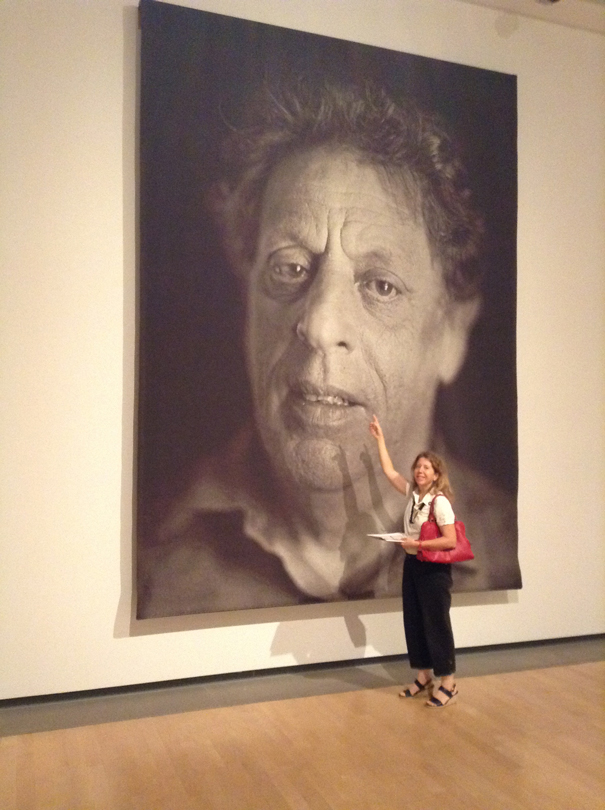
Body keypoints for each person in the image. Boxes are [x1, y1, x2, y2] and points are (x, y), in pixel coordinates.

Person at [136, 79, 521, 619]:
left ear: (452, 334)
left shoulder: (520, 556)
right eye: (290, 268)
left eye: (380, 284)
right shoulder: (138, 557)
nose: (318, 324)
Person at [369, 414, 459, 707]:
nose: (420, 470)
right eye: (417, 466)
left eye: (426, 467)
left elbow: (450, 540)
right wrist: (380, 439)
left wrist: (417, 543)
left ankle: (448, 682)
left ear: (436, 474)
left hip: (434, 569)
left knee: (437, 624)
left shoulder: (439, 501)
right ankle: (424, 676)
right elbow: (389, 471)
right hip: (413, 565)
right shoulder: (413, 494)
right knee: (415, 622)